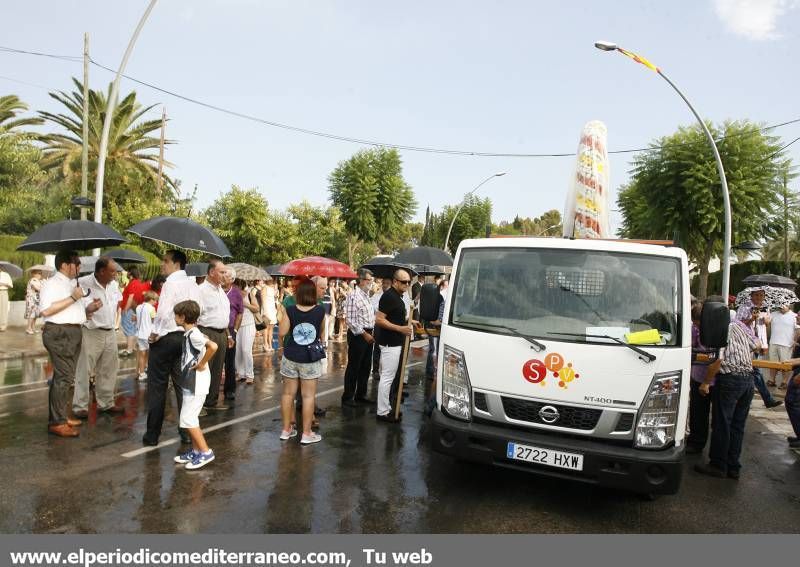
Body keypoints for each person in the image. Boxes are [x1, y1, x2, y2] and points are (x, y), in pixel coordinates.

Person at [39, 250, 102, 437]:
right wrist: (73, 298)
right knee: (63, 377)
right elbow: (46, 310)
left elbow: (76, 309)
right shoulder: (51, 284)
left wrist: (90, 308)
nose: (79, 267)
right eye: (76, 263)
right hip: (59, 333)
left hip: (73, 331)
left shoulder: (73, 284)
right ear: (65, 265)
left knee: (67, 377)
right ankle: (56, 422)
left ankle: (61, 416)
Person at [694, 303, 760, 479]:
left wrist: (706, 383)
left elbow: (718, 360)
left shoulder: (720, 330)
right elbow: (757, 346)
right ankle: (733, 466)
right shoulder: (739, 325)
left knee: (722, 423)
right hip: (747, 380)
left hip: (730, 380)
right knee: (737, 426)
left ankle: (717, 465)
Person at [143, 250, 201, 447]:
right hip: (184, 338)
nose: (162, 264)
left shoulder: (171, 283)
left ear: (177, 264)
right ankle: (186, 431)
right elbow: (198, 310)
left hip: (166, 338)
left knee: (157, 387)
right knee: (183, 387)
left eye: (166, 261)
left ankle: (152, 434)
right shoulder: (193, 284)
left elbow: (163, 312)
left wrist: (154, 333)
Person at [73, 256, 125, 419]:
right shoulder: (83, 282)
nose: (115, 274)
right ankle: (80, 406)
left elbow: (117, 303)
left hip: (110, 331)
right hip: (91, 330)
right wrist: (89, 307)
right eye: (112, 271)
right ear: (101, 271)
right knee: (84, 370)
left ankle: (106, 403)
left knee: (109, 369)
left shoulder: (114, 285)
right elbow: (78, 304)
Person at [172, 300, 217, 470]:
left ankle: (205, 452)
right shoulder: (191, 333)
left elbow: (213, 346)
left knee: (188, 419)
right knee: (190, 418)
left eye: (176, 315)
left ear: (183, 317)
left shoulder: (194, 334)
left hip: (196, 383)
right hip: (191, 382)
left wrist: (202, 363)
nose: (174, 318)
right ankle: (196, 451)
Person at [278, 278, 325, 445]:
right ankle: (306, 433)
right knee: (308, 396)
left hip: (291, 355)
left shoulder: (290, 310)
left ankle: (286, 430)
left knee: (287, 394)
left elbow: (282, 332)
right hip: (310, 358)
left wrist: (282, 346)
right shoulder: (320, 311)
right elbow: (320, 333)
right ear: (313, 293)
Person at [375, 269, 413, 423]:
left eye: (409, 282)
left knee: (389, 377)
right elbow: (379, 320)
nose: (407, 284)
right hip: (390, 343)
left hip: (395, 342)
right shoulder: (389, 296)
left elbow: (393, 317)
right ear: (395, 281)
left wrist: (407, 322)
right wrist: (401, 329)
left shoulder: (397, 296)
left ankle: (387, 408)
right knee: (387, 378)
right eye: (404, 282)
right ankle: (382, 411)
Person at [197, 259, 232, 411]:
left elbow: (223, 316)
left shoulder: (220, 291)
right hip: (207, 333)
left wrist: (228, 335)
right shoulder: (201, 290)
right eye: (222, 272)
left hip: (222, 334)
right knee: (204, 370)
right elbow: (196, 315)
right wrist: (200, 335)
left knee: (217, 369)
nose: (225, 275)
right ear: (212, 272)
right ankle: (199, 405)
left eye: (225, 272)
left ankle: (211, 402)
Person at [342, 269, 376, 407]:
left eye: (371, 280)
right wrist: (364, 333)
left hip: (368, 332)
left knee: (366, 366)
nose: (371, 283)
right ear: (361, 280)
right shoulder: (353, 296)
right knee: (354, 367)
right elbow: (350, 320)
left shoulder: (366, 295)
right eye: (369, 280)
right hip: (358, 335)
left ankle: (360, 394)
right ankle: (348, 397)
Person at [686, 302, 715, 454]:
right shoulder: (694, 329)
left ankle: (716, 450)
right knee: (698, 412)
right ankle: (696, 442)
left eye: (698, 323)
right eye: (695, 323)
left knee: (716, 417)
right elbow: (690, 346)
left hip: (714, 378)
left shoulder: (718, 330)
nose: (697, 326)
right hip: (698, 376)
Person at [748, 288, 783, 409]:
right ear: (751, 296)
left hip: (760, 342)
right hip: (749, 343)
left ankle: (750, 397)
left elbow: (767, 324)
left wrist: (765, 319)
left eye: (761, 295)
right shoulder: (746, 307)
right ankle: (766, 399)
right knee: (755, 371)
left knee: (754, 371)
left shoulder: (766, 308)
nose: (759, 298)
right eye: (756, 295)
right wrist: (752, 318)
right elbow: (740, 323)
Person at [119, 267, 149, 357]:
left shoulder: (133, 283)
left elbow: (131, 297)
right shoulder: (138, 283)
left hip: (130, 309)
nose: (127, 273)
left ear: (131, 274)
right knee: (132, 329)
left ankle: (129, 349)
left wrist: (125, 309)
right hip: (135, 309)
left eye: (128, 272)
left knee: (129, 329)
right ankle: (131, 347)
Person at [222, 268, 242, 400]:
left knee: (229, 361)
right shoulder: (216, 290)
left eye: (226, 275)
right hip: (217, 329)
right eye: (222, 274)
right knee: (214, 362)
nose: (223, 277)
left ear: (232, 279)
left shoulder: (236, 293)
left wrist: (235, 330)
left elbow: (240, 312)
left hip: (230, 330)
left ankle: (230, 389)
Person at [768, 302, 797, 389]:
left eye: (784, 304)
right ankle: (772, 380)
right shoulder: (773, 314)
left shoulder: (794, 316)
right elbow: (766, 323)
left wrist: (794, 341)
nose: (782, 306)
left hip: (787, 343)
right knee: (772, 363)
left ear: (789, 305)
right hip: (773, 342)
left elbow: (798, 329)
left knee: (785, 364)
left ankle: (784, 382)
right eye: (780, 304)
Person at [236, 279, 259, 384]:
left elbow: (256, 309)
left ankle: (249, 374)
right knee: (238, 351)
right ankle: (240, 373)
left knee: (246, 350)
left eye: (236, 285)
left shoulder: (249, 294)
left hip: (248, 325)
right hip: (236, 325)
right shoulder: (231, 295)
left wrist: (246, 304)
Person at [370, 277, 392, 376]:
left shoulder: (394, 296)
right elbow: (374, 307)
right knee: (377, 347)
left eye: (387, 283)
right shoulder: (377, 295)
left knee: (388, 349)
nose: (385, 285)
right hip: (379, 324)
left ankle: (387, 371)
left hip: (390, 324)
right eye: (384, 283)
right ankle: (375, 370)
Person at [135, 291, 158, 381]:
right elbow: (154, 320)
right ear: (151, 299)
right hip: (148, 334)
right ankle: (150, 371)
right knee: (151, 354)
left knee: (142, 354)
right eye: (155, 300)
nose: (156, 302)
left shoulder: (138, 307)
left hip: (139, 334)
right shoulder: (151, 308)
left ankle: (141, 373)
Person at [261, 277, 278, 352]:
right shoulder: (264, 288)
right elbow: (263, 300)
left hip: (272, 309)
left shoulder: (273, 288)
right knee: (266, 328)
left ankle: (270, 344)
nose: (271, 280)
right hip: (267, 309)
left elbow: (274, 300)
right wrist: (265, 312)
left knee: (271, 328)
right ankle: (265, 344)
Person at [25, 269, 44, 334]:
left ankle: (33, 327)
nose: (40, 275)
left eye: (40, 273)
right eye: (38, 273)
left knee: (36, 314)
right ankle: (28, 328)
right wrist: (43, 287)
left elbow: (42, 287)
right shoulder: (33, 280)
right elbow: (37, 288)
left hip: (37, 299)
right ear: (34, 274)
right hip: (31, 299)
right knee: (31, 313)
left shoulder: (40, 281)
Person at [0, 265, 12, 332]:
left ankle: (3, 326)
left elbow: (10, 285)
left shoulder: (6, 275)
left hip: (3, 291)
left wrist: (3, 284)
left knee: (4, 308)